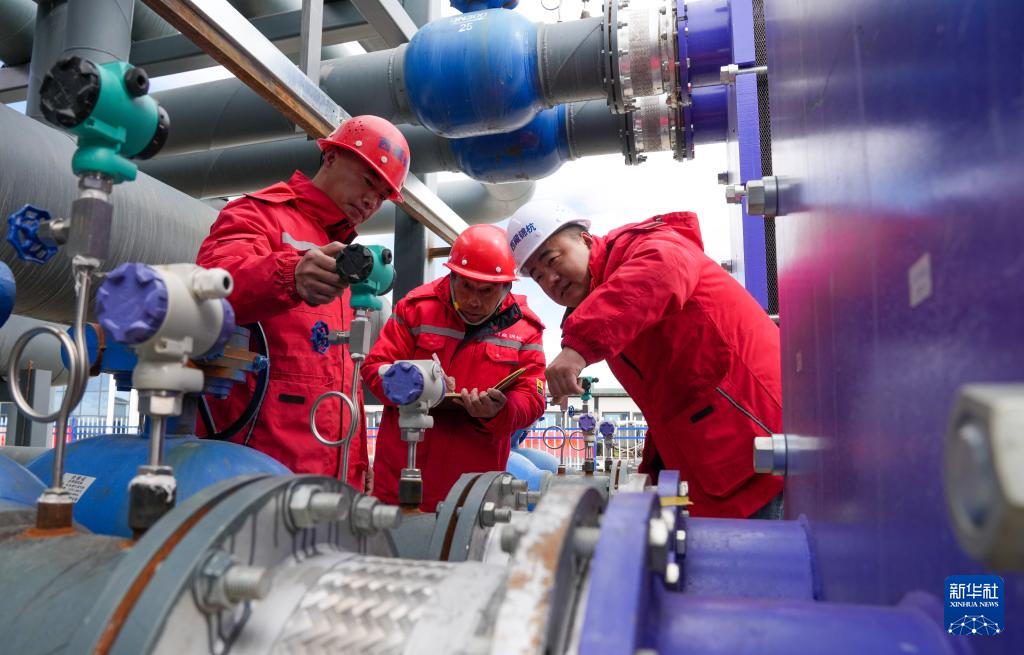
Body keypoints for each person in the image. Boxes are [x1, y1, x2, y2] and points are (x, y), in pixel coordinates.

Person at [506, 200, 783, 519]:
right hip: (731, 461)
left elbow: (665, 268)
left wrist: (578, 347)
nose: (551, 280)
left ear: (584, 239)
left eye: (553, 260)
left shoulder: (645, 248)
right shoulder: (612, 306)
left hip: (759, 454)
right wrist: (655, 468)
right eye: (538, 277)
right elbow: (669, 404)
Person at [196, 115, 410, 491]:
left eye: (381, 195)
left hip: (330, 477)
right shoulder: (258, 215)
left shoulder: (344, 254)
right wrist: (289, 275)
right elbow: (211, 288)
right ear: (330, 157)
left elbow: (342, 377)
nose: (371, 201)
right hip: (256, 469)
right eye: (368, 181)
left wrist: (358, 463)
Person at [363, 224, 547, 510]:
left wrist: (500, 411)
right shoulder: (416, 309)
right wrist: (419, 384)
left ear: (506, 287)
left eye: (487, 291)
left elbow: (533, 397)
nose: (474, 300)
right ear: (452, 276)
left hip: (472, 488)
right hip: (400, 475)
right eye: (466, 286)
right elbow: (375, 368)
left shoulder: (525, 329)